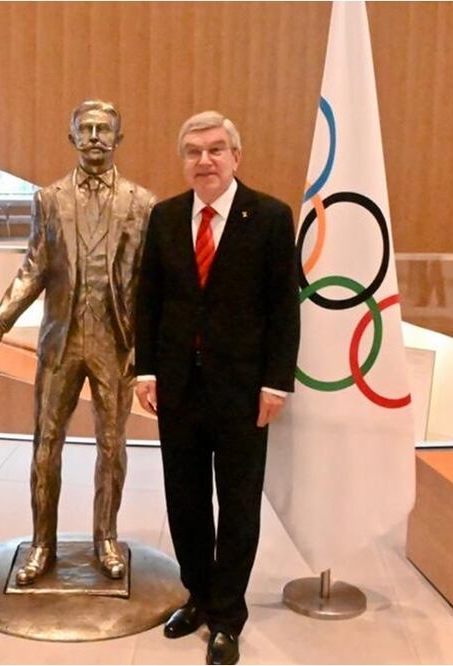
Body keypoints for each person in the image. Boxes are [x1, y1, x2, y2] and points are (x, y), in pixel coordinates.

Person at [134, 110, 300, 665]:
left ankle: (228, 615)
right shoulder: (164, 217)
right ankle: (199, 597)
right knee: (184, 501)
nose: (204, 160)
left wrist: (278, 383)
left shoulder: (272, 218)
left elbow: (284, 309)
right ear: (183, 161)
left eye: (215, 149)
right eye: (193, 151)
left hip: (244, 391)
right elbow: (148, 302)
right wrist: (147, 370)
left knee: (237, 506)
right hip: (177, 389)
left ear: (235, 157)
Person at [0, 100, 156, 585]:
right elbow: (34, 267)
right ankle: (42, 544)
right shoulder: (49, 199)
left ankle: (106, 539)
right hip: (60, 342)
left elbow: (147, 284)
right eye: (85, 129)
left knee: (112, 447)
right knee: (45, 446)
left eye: (104, 128)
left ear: (118, 137)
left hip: (114, 342)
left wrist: (148, 350)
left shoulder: (141, 203)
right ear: (72, 138)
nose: (95, 136)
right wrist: (0, 322)